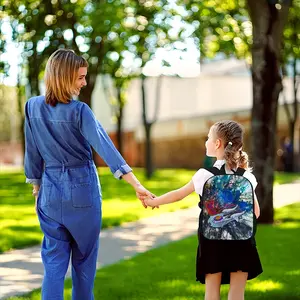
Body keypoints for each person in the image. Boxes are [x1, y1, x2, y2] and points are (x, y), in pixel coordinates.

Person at [24, 48, 153, 300]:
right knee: (83, 265)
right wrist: (136, 184)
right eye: (80, 77)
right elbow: (106, 148)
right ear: (64, 77)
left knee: (53, 265)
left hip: (49, 193)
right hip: (82, 192)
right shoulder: (79, 111)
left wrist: (37, 189)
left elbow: (32, 152)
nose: (84, 83)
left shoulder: (32, 107)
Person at [145, 120, 263, 300]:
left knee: (211, 294)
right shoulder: (246, 176)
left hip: (212, 243)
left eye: (208, 138)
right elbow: (256, 212)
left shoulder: (205, 175)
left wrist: (154, 202)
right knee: (237, 294)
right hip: (241, 242)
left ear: (217, 144)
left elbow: (178, 194)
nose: (206, 142)